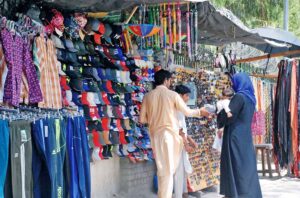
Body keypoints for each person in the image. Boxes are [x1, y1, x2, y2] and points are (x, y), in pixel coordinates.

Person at [139, 69, 210, 198]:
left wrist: (155, 118)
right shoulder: (172, 95)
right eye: (170, 80)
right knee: (167, 171)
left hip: (155, 136)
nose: (170, 82)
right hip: (170, 136)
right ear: (166, 80)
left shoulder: (147, 96)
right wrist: (200, 112)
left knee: (162, 170)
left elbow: (142, 119)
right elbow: (188, 112)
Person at [218, 73, 262, 198]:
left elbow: (229, 116)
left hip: (235, 136)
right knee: (246, 166)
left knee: (236, 165)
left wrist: (219, 111)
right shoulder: (251, 98)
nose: (232, 85)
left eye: (233, 82)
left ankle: (236, 194)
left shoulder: (239, 97)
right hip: (245, 137)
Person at [174, 85, 198, 198]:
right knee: (178, 171)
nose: (188, 98)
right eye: (186, 95)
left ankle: (184, 193)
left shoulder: (180, 108)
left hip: (181, 141)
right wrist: (186, 144)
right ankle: (179, 195)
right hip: (177, 143)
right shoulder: (176, 108)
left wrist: (190, 139)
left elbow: (183, 128)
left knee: (183, 170)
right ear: (180, 95)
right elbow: (179, 129)